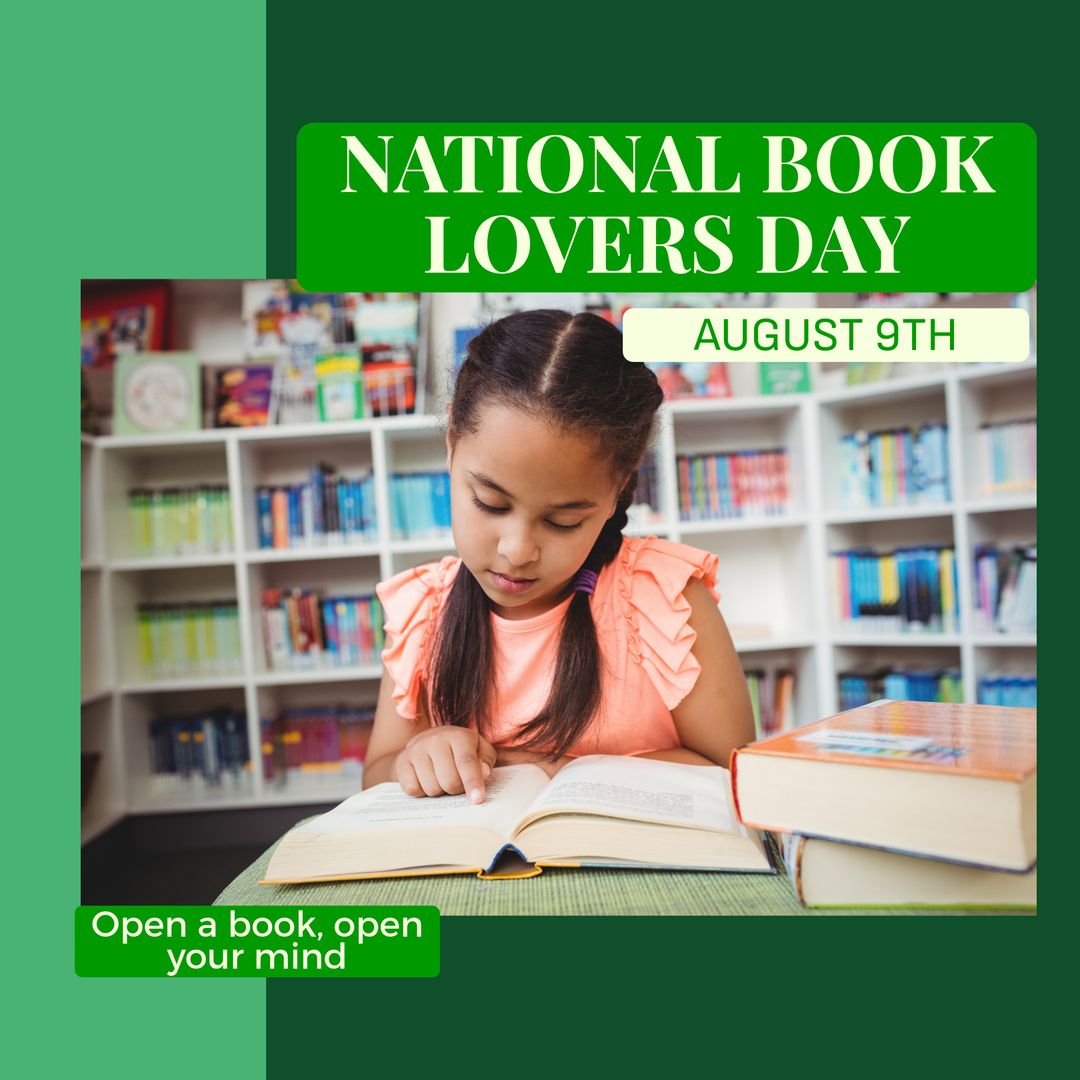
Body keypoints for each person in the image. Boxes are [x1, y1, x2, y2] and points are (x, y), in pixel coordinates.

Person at [363, 309, 755, 802]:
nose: (517, 550)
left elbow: (733, 766)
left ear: (620, 487)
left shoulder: (664, 599)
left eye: (563, 522)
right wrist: (417, 756)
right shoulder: (424, 612)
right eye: (490, 503)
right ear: (451, 445)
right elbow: (377, 771)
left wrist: (545, 768)